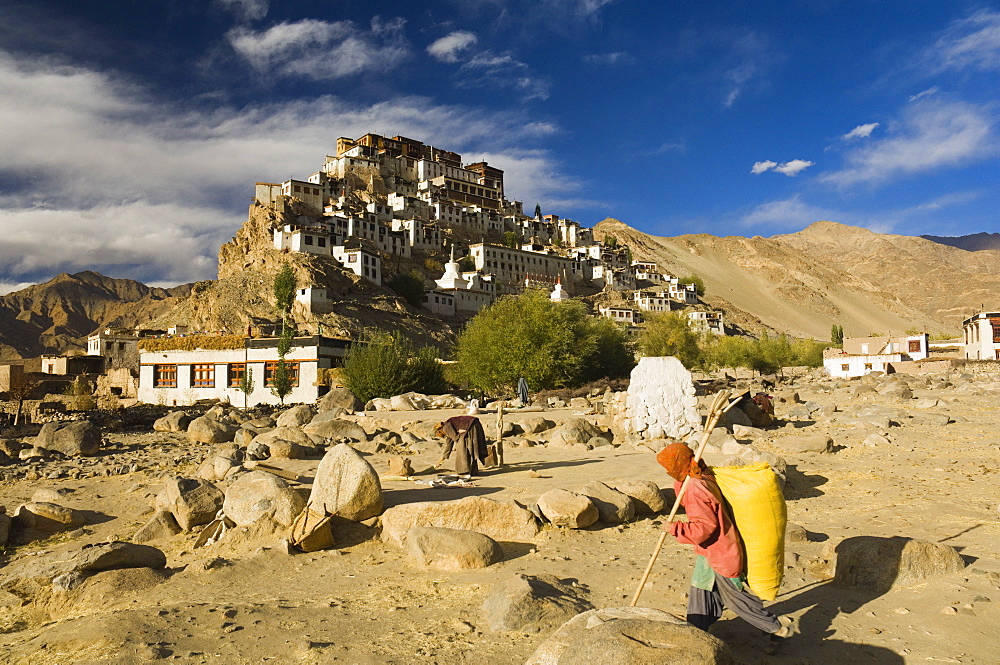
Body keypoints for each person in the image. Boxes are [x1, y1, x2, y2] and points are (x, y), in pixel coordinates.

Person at [657, 442, 794, 654]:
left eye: (668, 466)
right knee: (701, 591)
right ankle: (697, 632)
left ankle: (777, 629)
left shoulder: (695, 487)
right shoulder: (700, 476)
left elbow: (705, 527)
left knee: (736, 600)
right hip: (710, 552)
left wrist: (675, 528)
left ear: (677, 464)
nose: (667, 472)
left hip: (721, 551)